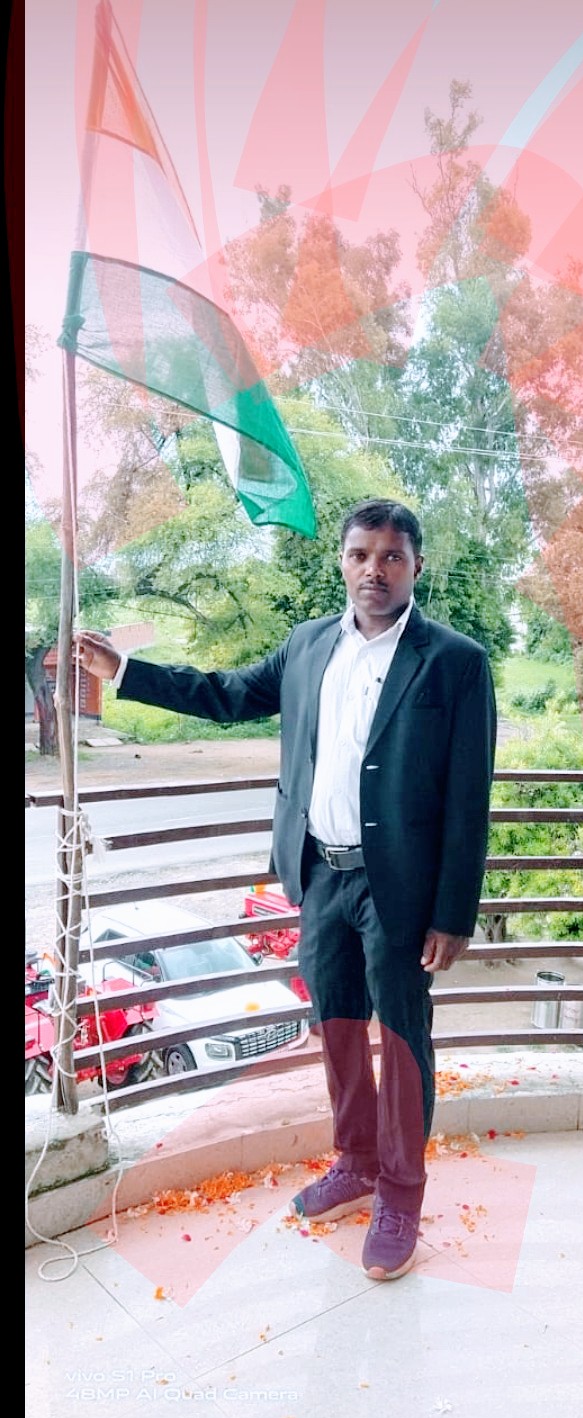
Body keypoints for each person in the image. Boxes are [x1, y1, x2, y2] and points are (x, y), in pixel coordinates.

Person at [75, 498, 497, 1281]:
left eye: (392, 556)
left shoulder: (454, 661)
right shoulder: (307, 645)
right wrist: (124, 673)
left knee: (403, 1039)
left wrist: (453, 912)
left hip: (402, 890)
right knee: (336, 1028)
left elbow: (470, 796)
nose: (374, 569)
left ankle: (400, 1195)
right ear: (342, 561)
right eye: (360, 554)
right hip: (320, 876)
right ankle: (357, 1162)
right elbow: (226, 694)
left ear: (417, 566)